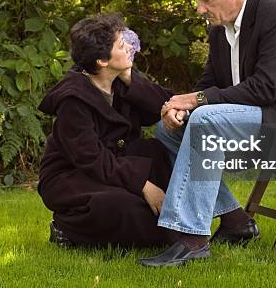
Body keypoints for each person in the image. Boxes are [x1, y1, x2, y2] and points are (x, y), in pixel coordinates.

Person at [139, 0, 276, 267]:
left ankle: (191, 239)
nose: (200, 9)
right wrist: (181, 110)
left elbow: (266, 89)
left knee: (205, 120)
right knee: (168, 129)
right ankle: (236, 222)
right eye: (197, 0)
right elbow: (209, 83)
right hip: (250, 128)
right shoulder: (219, 29)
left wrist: (196, 102)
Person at [37, 14, 177, 247]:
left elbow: (165, 104)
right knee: (127, 208)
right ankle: (67, 227)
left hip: (114, 163)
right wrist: (144, 185)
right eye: (122, 46)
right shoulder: (73, 100)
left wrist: (131, 78)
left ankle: (174, 220)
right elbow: (92, 159)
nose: (130, 47)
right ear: (102, 61)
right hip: (73, 175)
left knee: (156, 153)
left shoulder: (119, 78)